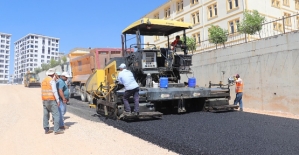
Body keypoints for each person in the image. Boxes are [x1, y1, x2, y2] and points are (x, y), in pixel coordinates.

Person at [41, 68, 64, 135]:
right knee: (56, 115)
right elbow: (54, 91)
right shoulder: (51, 81)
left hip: (44, 100)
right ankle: (56, 130)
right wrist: (58, 100)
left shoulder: (43, 81)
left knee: (45, 115)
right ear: (53, 74)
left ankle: (46, 129)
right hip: (51, 100)